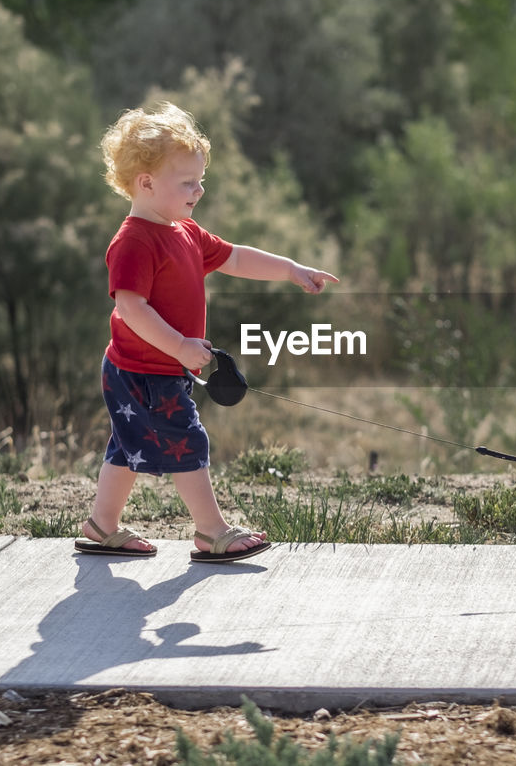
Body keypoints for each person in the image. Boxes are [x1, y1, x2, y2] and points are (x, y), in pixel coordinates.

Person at [76, 102, 338, 562]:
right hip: (143, 371)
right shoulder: (134, 241)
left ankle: (101, 527)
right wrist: (178, 345)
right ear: (146, 183)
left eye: (200, 180)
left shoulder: (185, 231)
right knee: (187, 440)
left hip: (155, 369)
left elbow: (235, 257)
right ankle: (211, 532)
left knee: (126, 446)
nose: (199, 190)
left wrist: (290, 269)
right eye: (187, 183)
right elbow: (130, 308)